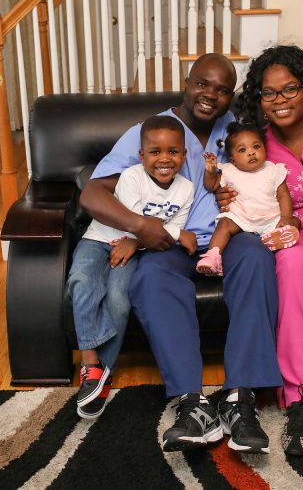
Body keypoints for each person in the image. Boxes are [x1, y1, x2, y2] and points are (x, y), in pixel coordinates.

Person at [80, 53, 282, 455]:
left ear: (232, 96)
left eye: (223, 90)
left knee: (259, 260)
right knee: (151, 279)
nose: (211, 95)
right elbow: (92, 192)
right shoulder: (151, 131)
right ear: (186, 83)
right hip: (172, 241)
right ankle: (193, 404)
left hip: (230, 232)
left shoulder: (237, 129)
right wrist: (141, 228)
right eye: (202, 84)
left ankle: (240, 399)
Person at [232, 45, 303, 460]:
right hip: (291, 229)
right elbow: (233, 188)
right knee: (291, 262)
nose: (280, 100)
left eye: (290, 89)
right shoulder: (255, 146)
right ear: (258, 99)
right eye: (269, 93)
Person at [67, 116, 196, 420]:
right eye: (155, 152)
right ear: (141, 156)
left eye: (173, 152)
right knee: (82, 281)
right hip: (101, 239)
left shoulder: (186, 189)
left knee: (119, 298)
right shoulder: (130, 177)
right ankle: (89, 361)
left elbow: (168, 228)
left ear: (184, 155)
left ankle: (100, 374)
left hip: (135, 247)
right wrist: (173, 236)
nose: (164, 159)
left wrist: (148, 241)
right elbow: (133, 221)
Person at [196, 121, 299, 276]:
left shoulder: (273, 169)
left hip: (271, 219)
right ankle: (213, 256)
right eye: (242, 150)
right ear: (233, 159)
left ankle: (275, 238)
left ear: (265, 148)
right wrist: (210, 171)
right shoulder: (229, 170)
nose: (251, 152)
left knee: (295, 222)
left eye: (256, 147)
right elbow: (211, 186)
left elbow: (283, 195)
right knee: (224, 224)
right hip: (241, 218)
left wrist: (285, 217)